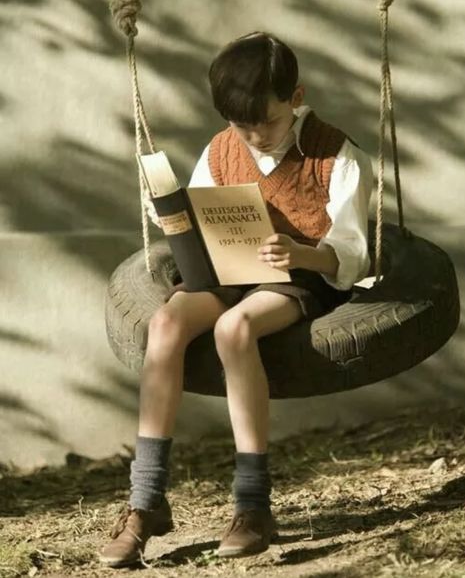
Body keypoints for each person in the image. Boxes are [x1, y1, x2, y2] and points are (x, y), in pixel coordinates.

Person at [99, 31, 373, 567]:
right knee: (165, 325)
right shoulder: (224, 148)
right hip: (228, 269)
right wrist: (176, 221)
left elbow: (354, 254)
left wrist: (301, 253)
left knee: (234, 330)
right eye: (240, 125)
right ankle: (146, 501)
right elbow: (206, 216)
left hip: (297, 276)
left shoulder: (336, 154)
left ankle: (252, 504)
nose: (253, 136)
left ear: (296, 98)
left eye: (265, 122)